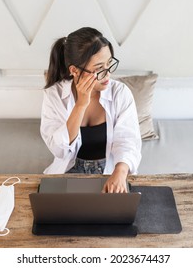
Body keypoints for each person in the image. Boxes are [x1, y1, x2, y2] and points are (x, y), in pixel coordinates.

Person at [40, 27, 141, 193]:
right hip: (68, 173)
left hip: (111, 172)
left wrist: (120, 172)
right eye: (99, 68)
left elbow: (128, 141)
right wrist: (80, 104)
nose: (107, 74)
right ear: (74, 70)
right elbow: (60, 150)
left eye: (109, 64)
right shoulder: (54, 95)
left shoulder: (120, 93)